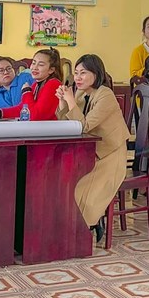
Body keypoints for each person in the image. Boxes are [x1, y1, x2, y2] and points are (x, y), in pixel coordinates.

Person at [56, 54, 128, 243]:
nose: (78, 78)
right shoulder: (81, 93)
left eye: (83, 73)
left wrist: (71, 101)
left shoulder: (106, 95)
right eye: (76, 73)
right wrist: (63, 102)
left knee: (82, 188)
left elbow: (84, 126)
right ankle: (80, 224)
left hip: (110, 153)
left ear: (96, 74)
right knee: (66, 182)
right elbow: (68, 124)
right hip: (89, 152)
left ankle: (84, 227)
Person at [0, 49, 63, 121]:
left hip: (50, 128)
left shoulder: (53, 84)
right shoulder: (36, 84)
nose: (34, 67)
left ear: (51, 70)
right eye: (33, 63)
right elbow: (23, 109)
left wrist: (26, 92)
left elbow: (35, 116)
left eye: (40, 65)